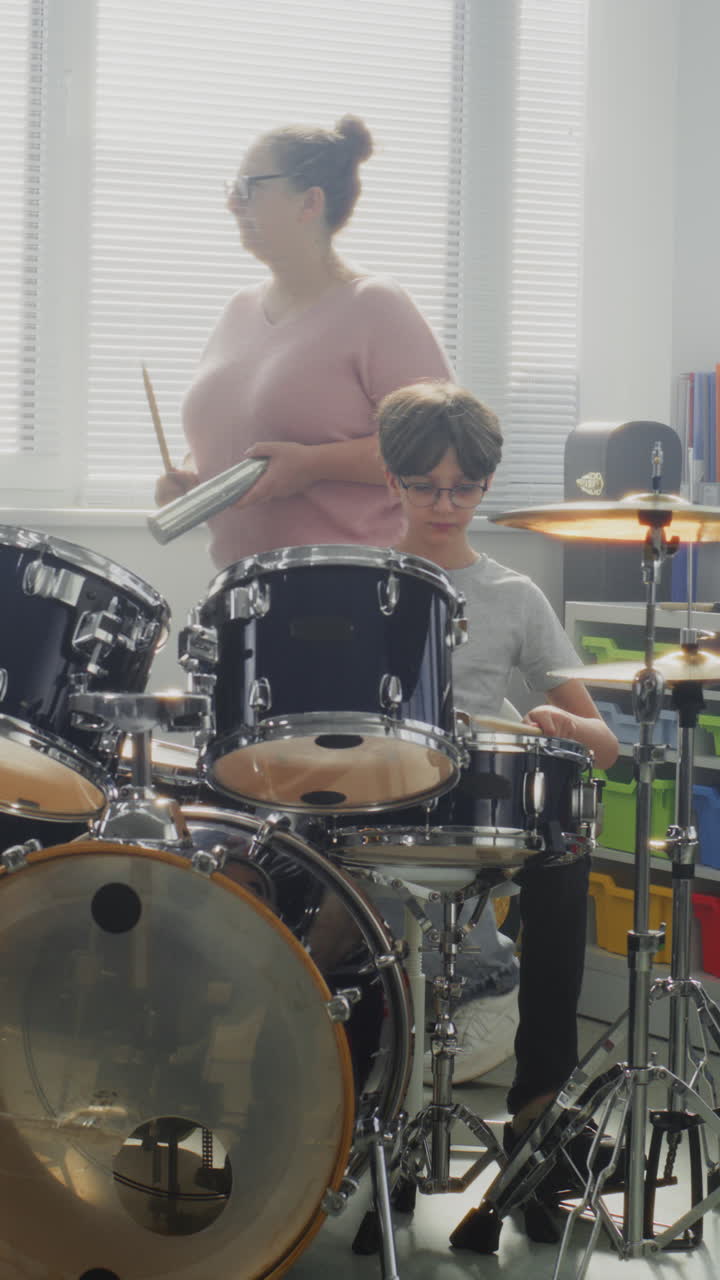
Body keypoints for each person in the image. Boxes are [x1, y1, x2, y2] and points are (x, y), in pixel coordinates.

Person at [376, 379, 619, 1149]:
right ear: (393, 481)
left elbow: (604, 743)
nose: (445, 504)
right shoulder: (363, 584)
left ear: (485, 484)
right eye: (425, 487)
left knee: (566, 853)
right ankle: (349, 1094)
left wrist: (562, 723)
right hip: (382, 809)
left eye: (464, 488)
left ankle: (539, 1106)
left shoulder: (514, 596)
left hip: (479, 810)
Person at [155, 114, 452, 568]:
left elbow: (442, 450)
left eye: (249, 187)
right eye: (232, 188)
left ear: (310, 202)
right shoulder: (238, 309)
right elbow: (243, 442)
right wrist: (195, 485)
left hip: (350, 591)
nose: (233, 204)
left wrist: (313, 464)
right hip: (242, 596)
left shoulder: (375, 304)